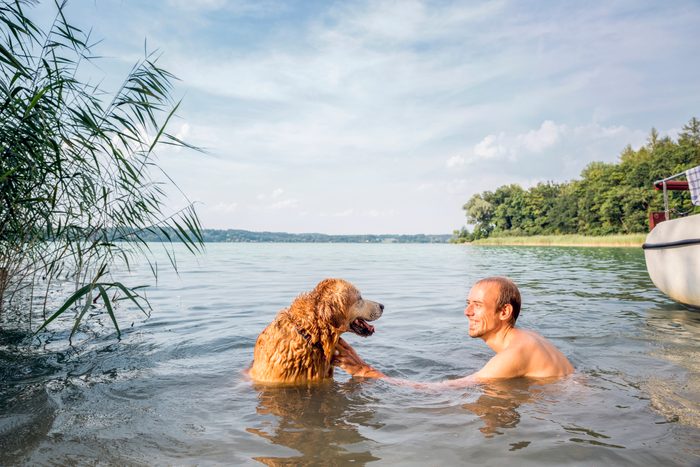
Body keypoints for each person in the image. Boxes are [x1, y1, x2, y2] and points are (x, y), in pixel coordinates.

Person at [333, 276, 573, 387]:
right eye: (467, 303)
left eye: (477, 305)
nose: (467, 312)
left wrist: (364, 371)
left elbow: (435, 394)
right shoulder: (528, 338)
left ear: (504, 312)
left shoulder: (513, 355)